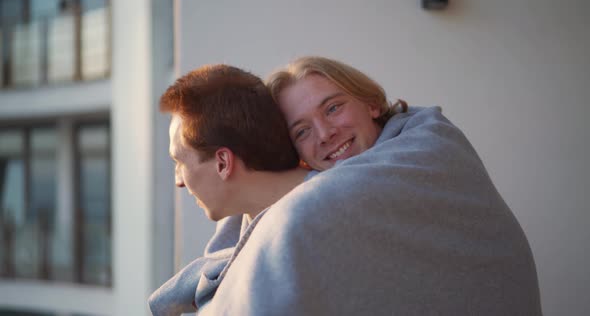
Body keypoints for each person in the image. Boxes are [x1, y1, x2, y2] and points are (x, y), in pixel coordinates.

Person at [152, 57, 543, 315]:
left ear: (372, 103)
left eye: (334, 107)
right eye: (301, 130)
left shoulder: (430, 152)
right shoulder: (295, 207)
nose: (324, 133)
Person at [149, 64, 309, 315]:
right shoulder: (247, 224)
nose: (178, 180)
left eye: (180, 162)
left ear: (223, 163)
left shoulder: (315, 224)